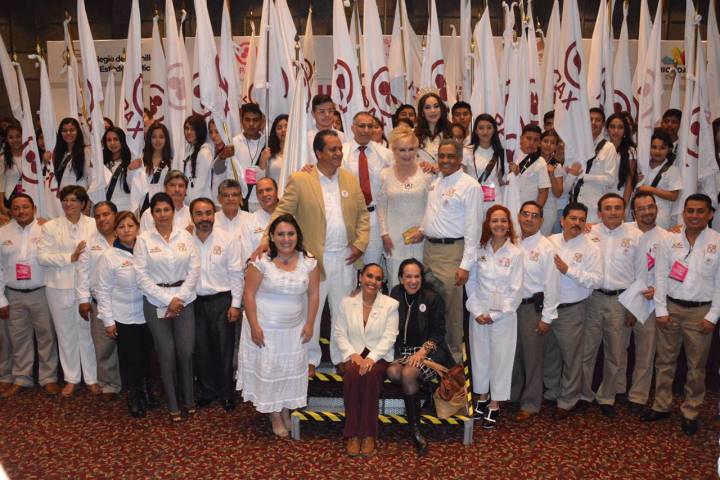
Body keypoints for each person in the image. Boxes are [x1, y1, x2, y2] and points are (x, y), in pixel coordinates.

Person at [260, 130, 369, 374]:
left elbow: (363, 215)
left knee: (343, 310)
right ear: (319, 153)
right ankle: (309, 359)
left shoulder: (349, 179)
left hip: (345, 257)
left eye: (339, 149)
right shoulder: (301, 179)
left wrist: (360, 243)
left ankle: (342, 357)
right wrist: (267, 239)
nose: (338, 153)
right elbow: (282, 212)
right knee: (312, 310)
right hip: (313, 259)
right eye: (332, 149)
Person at [643, 193, 720, 436]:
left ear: (710, 214)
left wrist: (713, 316)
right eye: (690, 211)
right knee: (664, 361)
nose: (694, 216)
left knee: (696, 366)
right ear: (684, 213)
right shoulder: (670, 239)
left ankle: (691, 411)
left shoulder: (717, 242)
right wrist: (661, 309)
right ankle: (661, 405)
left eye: (700, 211)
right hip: (671, 309)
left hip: (701, 312)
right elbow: (660, 275)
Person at [237, 214, 320, 437]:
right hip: (265, 329)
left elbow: (314, 294)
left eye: (291, 234)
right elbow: (249, 294)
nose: (286, 239)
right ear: (272, 237)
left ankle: (284, 409)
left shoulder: (309, 261)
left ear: (297, 236)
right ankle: (274, 414)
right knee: (271, 370)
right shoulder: (260, 261)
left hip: (294, 329)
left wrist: (310, 324)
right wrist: (254, 325)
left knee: (288, 370)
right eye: (281, 234)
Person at [134, 192, 200, 422]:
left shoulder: (186, 236)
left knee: (186, 351)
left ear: (173, 211)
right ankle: (172, 403)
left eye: (166, 209)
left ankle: (189, 399)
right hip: (156, 302)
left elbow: (194, 270)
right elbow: (141, 277)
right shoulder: (143, 240)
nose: (163, 214)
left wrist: (178, 298)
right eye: (158, 210)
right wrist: (166, 299)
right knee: (166, 353)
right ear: (151, 214)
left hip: (185, 300)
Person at [421, 139, 483, 362]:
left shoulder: (470, 185)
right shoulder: (436, 182)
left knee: (451, 311)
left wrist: (465, 265)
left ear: (459, 159)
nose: (445, 160)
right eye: (441, 156)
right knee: (431, 307)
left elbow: (474, 229)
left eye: (450, 156)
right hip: (429, 251)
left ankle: (454, 362)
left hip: (452, 253)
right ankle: (432, 359)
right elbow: (434, 215)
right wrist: (422, 230)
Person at [580, 193, 642, 417]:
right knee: (587, 351)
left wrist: (633, 308)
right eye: (608, 208)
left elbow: (641, 275)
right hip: (592, 298)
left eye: (617, 208)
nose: (613, 212)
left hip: (621, 300)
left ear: (624, 211)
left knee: (615, 353)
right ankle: (584, 395)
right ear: (599, 212)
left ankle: (607, 397)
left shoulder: (637, 236)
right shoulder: (588, 232)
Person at [94, 211, 158, 418]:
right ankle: (134, 396)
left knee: (147, 356)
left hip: (148, 313)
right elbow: (102, 291)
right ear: (115, 231)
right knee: (131, 359)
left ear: (137, 228)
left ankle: (147, 391)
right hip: (124, 317)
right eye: (121, 227)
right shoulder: (109, 256)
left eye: (130, 226)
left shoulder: (145, 250)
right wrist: (108, 321)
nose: (126, 230)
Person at [37, 185, 98, 398]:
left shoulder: (93, 224)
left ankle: (92, 378)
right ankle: (72, 378)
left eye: (74, 200)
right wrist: (69, 258)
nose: (68, 204)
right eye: (65, 200)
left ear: (83, 204)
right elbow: (42, 257)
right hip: (58, 286)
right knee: (65, 334)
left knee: (86, 332)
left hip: (86, 287)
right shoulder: (50, 227)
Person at [388, 258, 453, 455]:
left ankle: (415, 430)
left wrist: (423, 351)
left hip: (428, 352)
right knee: (392, 372)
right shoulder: (395, 294)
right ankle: (425, 388)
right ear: (401, 279)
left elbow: (439, 333)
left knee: (408, 374)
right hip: (404, 351)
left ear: (422, 279)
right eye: (408, 277)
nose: (413, 281)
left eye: (417, 276)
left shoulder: (433, 298)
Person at [466, 205, 523, 428]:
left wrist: (495, 315)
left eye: (503, 221)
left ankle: (495, 403)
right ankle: (482, 397)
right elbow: (471, 283)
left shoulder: (515, 253)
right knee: (480, 356)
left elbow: (516, 290)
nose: (499, 225)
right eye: (494, 221)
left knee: (501, 358)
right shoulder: (479, 250)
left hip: (504, 316)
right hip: (479, 313)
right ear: (488, 224)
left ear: (509, 225)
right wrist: (477, 311)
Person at [334, 263, 399, 456]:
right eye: (369, 276)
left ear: (382, 283)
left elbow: (389, 337)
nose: (373, 281)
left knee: (370, 375)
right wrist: (352, 354)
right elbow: (339, 333)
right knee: (353, 373)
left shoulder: (390, 305)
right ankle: (353, 434)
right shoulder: (346, 303)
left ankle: (369, 434)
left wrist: (371, 358)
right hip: (353, 353)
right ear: (361, 277)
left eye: (378, 278)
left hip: (379, 356)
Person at [546, 202, 603, 419]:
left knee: (572, 358)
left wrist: (568, 270)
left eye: (581, 219)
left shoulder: (591, 248)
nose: (577, 223)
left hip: (572, 309)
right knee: (550, 354)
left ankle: (567, 400)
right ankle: (552, 392)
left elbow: (596, 280)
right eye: (573, 218)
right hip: (548, 308)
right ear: (562, 220)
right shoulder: (550, 242)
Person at [0, 194, 59, 398]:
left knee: (46, 336)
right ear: (10, 211)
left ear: (34, 208)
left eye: (25, 207)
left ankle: (48, 378)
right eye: (16, 208)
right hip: (13, 294)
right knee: (18, 338)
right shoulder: (3, 232)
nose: (21, 211)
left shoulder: (46, 229)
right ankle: (21, 378)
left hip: (41, 292)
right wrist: (1, 300)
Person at [190, 197, 244, 411]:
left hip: (222, 300)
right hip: (195, 302)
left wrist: (235, 304)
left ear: (214, 215)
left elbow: (236, 273)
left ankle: (226, 392)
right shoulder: (185, 240)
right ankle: (207, 391)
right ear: (192, 217)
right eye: (199, 214)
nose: (204, 218)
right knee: (201, 349)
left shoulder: (227, 239)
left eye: (208, 213)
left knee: (224, 350)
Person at [510, 201, 560, 421]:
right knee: (512, 355)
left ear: (541, 220)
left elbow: (552, 285)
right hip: (511, 309)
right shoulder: (512, 241)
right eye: (525, 214)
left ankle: (530, 403)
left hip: (532, 309)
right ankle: (511, 396)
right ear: (519, 217)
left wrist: (547, 318)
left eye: (534, 215)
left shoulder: (546, 247)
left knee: (532, 359)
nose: (529, 219)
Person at [620, 192, 667, 414]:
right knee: (618, 349)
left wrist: (658, 290)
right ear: (633, 212)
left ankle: (638, 396)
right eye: (641, 208)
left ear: (656, 208)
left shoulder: (667, 237)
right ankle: (617, 390)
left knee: (645, 352)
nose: (647, 212)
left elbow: (673, 272)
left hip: (649, 302)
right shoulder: (623, 231)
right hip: (622, 299)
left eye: (651, 207)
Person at [377, 126, 434, 289]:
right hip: (394, 239)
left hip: (420, 239)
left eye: (411, 149)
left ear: (416, 149)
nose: (407, 154)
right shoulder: (385, 174)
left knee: (419, 285)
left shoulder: (426, 174)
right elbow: (381, 207)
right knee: (395, 284)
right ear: (394, 150)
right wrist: (384, 234)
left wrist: (422, 230)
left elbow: (431, 206)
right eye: (402, 150)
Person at [76, 201, 122, 397]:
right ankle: (109, 384)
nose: (102, 219)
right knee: (104, 346)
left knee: (131, 345)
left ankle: (134, 383)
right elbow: (82, 272)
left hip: (127, 302)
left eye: (106, 214)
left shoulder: (128, 236)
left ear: (115, 214)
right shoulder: (89, 243)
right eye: (98, 216)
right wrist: (83, 299)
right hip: (100, 303)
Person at [342, 111, 393, 265]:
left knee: (371, 266)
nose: (366, 130)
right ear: (353, 128)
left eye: (370, 126)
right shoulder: (341, 153)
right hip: (348, 217)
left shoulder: (385, 154)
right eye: (361, 126)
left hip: (375, 216)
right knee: (349, 265)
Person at [566, 108, 618, 223]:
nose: (593, 123)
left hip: (594, 209)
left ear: (603, 125)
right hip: (574, 204)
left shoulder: (609, 147)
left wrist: (584, 177)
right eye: (590, 119)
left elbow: (610, 179)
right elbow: (568, 170)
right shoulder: (576, 145)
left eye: (598, 120)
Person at [635, 128, 682, 229]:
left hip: (661, 214)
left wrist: (651, 189)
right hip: (640, 212)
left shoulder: (672, 170)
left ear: (669, 149)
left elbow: (673, 196)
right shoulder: (642, 166)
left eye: (662, 148)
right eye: (654, 147)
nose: (657, 151)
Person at [228, 103, 265, 212]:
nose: (251, 124)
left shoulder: (268, 143)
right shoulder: (233, 143)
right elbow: (230, 173)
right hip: (241, 200)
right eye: (247, 120)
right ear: (241, 121)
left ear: (261, 121)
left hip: (263, 200)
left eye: (255, 120)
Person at [131, 122, 172, 216]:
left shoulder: (171, 163)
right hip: (144, 210)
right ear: (149, 139)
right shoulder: (141, 162)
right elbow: (134, 188)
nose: (157, 140)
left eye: (161, 137)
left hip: (164, 211)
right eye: (154, 137)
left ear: (166, 139)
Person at [466, 114, 505, 210]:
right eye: (481, 128)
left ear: (494, 130)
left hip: (495, 199)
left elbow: (500, 177)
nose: (485, 131)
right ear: (476, 130)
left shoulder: (500, 152)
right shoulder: (467, 151)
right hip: (473, 198)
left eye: (489, 127)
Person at [509, 125, 551, 208]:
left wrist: (536, 211)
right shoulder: (510, 156)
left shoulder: (540, 162)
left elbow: (543, 192)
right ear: (521, 139)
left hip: (527, 209)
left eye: (535, 140)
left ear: (539, 143)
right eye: (528, 138)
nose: (531, 143)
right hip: (508, 204)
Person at [238, 177, 278, 260]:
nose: (264, 194)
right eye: (260, 192)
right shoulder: (249, 222)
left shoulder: (290, 216)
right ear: (257, 196)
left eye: (268, 190)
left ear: (277, 191)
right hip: (259, 267)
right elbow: (247, 257)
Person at [48, 118, 92, 190]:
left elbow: (90, 176)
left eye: (72, 130)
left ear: (78, 132)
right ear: (60, 133)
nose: (68, 133)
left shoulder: (86, 152)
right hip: (61, 195)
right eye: (65, 130)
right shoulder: (57, 153)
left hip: (79, 194)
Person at [606, 113, 637, 213]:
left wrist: (623, 205)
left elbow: (629, 182)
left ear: (625, 130)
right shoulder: (601, 148)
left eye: (620, 127)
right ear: (607, 129)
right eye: (612, 127)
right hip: (600, 195)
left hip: (620, 196)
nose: (616, 131)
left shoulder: (631, 151)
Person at [102, 127, 138, 211]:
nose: (112, 143)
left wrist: (131, 170)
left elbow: (135, 188)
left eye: (116, 139)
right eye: (109, 140)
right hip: (105, 209)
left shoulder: (131, 162)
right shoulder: (101, 163)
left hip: (125, 210)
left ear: (122, 140)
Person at [182, 114, 215, 202]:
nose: (189, 132)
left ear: (200, 130)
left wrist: (193, 205)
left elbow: (201, 183)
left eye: (193, 129)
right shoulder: (189, 149)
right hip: (190, 201)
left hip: (201, 202)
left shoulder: (204, 151)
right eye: (187, 128)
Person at [307, 95, 346, 162]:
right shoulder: (306, 138)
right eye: (322, 112)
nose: (327, 115)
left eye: (330, 111)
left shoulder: (343, 137)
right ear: (313, 114)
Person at [415, 92, 451, 165]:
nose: (433, 110)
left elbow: (457, 160)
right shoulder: (413, 134)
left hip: (445, 172)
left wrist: (439, 166)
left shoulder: (451, 132)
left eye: (436, 106)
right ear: (422, 112)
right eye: (427, 107)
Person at [540, 129, 560, 235]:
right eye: (545, 141)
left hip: (548, 209)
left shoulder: (557, 165)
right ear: (540, 142)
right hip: (529, 203)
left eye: (552, 143)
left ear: (556, 146)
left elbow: (558, 193)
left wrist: (552, 175)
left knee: (542, 239)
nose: (548, 145)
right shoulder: (530, 161)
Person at [0, 123, 23, 214]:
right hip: (11, 199)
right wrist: (1, 204)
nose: (15, 140)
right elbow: (1, 183)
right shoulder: (3, 158)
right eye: (11, 137)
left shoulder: (30, 155)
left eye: (18, 136)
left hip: (29, 196)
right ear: (6, 139)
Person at [258, 114, 288, 182]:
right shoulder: (268, 152)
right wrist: (262, 160)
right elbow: (260, 178)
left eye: (286, 126)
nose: (283, 130)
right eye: (279, 128)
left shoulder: (298, 152)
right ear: (275, 133)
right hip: (273, 188)